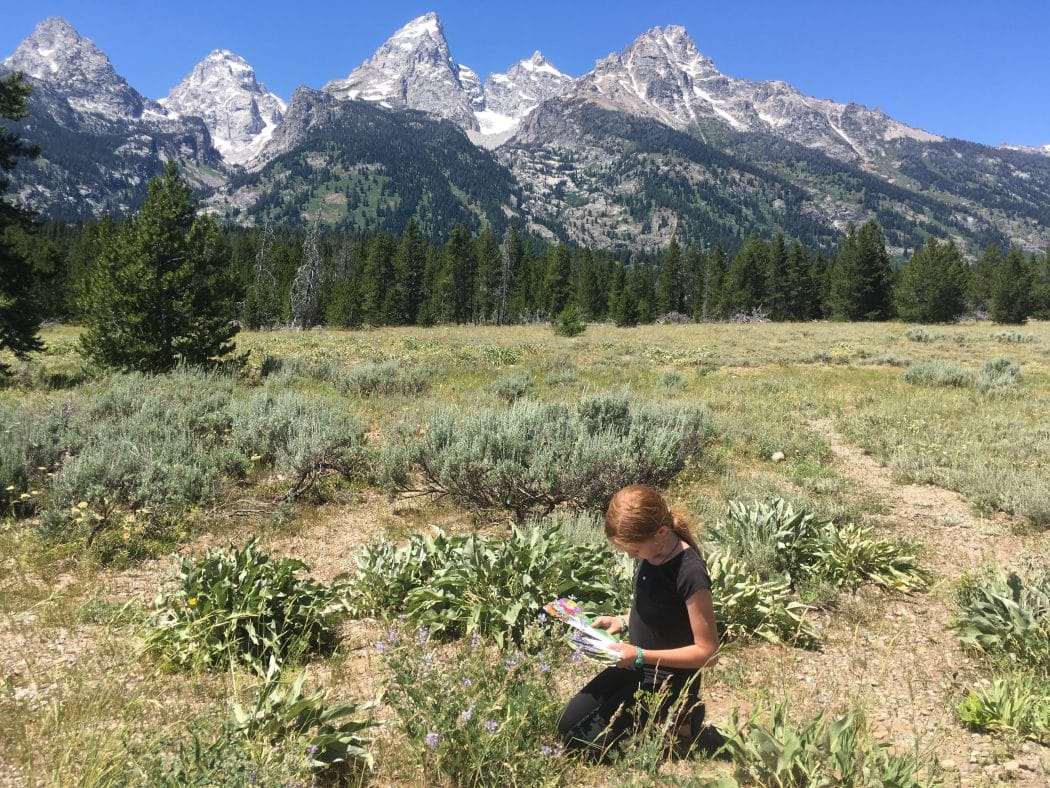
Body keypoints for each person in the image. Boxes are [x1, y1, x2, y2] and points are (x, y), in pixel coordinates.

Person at [557, 484, 719, 758]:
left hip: (667, 677)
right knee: (566, 725)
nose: (630, 556)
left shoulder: (689, 573)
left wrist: (642, 654)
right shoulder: (653, 553)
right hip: (637, 666)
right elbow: (662, 611)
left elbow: (708, 653)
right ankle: (666, 720)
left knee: (583, 745)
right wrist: (621, 620)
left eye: (634, 550)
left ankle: (683, 715)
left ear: (662, 532)